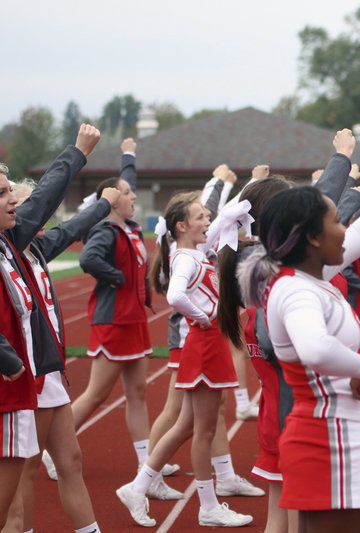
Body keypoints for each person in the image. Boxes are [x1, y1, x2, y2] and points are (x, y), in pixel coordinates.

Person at [239, 147, 360, 533]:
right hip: (324, 436)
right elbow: (315, 348)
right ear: (312, 237)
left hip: (341, 432)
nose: (346, 228)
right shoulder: (295, 290)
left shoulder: (312, 277)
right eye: (335, 221)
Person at [116, 191, 253, 528]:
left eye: (208, 216)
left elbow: (221, 225)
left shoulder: (193, 252)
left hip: (207, 345)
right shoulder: (188, 259)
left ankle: (138, 487)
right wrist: (203, 316)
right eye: (200, 217)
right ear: (181, 226)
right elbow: (176, 295)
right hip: (205, 346)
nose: (208, 222)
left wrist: (246, 193)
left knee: (186, 426)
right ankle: (208, 506)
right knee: (203, 431)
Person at [0, 124, 101, 526]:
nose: (14, 202)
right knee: (13, 485)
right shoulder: (15, 243)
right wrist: (77, 153)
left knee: (68, 460)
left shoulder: (20, 247)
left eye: (11, 193)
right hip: (16, 382)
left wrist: (102, 206)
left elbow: (66, 225)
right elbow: (44, 199)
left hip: (40, 373)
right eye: (4, 194)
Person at [71, 138, 154, 475]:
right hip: (114, 322)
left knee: (138, 392)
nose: (133, 196)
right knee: (96, 394)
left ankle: (147, 464)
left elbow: (126, 181)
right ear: (113, 200)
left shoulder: (129, 227)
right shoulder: (106, 229)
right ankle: (51, 449)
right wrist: (117, 277)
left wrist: (129, 155)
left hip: (134, 320)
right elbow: (88, 259)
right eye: (127, 194)